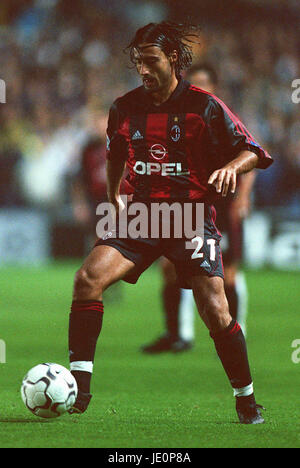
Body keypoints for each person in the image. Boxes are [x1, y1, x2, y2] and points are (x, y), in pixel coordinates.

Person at [68, 22, 273, 424]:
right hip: (143, 214)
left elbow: (254, 151)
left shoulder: (204, 106)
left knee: (215, 310)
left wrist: (232, 167)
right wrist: (113, 196)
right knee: (86, 279)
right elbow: (115, 155)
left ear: (173, 58)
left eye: (150, 60)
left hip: (191, 217)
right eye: (138, 62)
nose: (143, 69)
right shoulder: (124, 107)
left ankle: (246, 399)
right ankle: (78, 388)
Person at [141, 63, 255, 354]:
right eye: (195, 83)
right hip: (188, 204)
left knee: (226, 274)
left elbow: (250, 154)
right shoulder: (181, 118)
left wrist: (243, 196)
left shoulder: (223, 118)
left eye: (205, 83)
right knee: (169, 267)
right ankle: (178, 334)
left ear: (215, 87)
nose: (200, 88)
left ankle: (235, 330)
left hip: (223, 205)